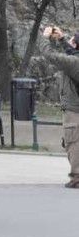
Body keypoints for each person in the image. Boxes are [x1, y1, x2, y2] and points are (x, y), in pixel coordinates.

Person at [39, 26, 79, 189]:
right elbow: (71, 52)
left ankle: (77, 177)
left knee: (73, 142)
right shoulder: (75, 60)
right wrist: (62, 39)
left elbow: (50, 55)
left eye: (71, 40)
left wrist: (45, 37)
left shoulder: (74, 63)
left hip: (74, 110)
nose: (69, 41)